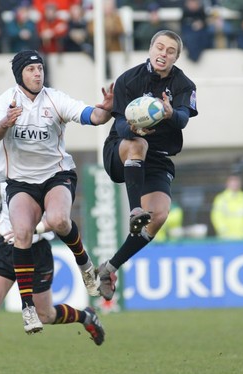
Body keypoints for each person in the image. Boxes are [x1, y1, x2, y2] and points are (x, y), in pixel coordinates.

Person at [0, 49, 113, 307]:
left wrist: (108, 110)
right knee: (21, 233)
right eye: (31, 70)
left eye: (40, 69)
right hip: (20, 181)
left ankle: (85, 265)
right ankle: (28, 309)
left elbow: (95, 116)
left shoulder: (54, 99)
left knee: (58, 220)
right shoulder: (5, 102)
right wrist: (5, 123)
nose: (37, 74)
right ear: (19, 75)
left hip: (56, 175)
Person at [0, 182, 105, 374]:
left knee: (45, 315)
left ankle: (86, 316)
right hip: (6, 247)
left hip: (36, 251)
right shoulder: (8, 167)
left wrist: (28, 230)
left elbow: (55, 220)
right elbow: (4, 202)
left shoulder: (46, 174)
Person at [98, 30, 198, 300]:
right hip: (122, 149)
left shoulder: (183, 85)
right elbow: (118, 122)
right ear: (151, 48)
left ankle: (109, 268)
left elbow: (182, 119)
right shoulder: (128, 79)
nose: (163, 54)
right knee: (138, 145)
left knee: (160, 215)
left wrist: (169, 112)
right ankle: (134, 211)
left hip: (157, 157)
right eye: (160, 48)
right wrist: (132, 129)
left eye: (170, 51)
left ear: (176, 57)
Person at [210, 174, 243, 240]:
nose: (235, 185)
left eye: (236, 183)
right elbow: (216, 216)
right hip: (225, 237)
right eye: (232, 183)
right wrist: (222, 230)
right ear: (227, 184)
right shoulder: (221, 199)